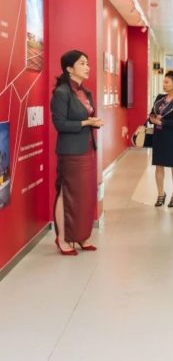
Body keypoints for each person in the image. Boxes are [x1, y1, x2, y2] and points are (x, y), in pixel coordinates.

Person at [50, 50, 103, 255]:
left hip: (87, 149)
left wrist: (93, 123)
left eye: (87, 63)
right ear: (69, 68)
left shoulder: (85, 92)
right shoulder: (61, 93)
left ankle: (81, 236)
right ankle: (62, 239)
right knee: (67, 194)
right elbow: (60, 124)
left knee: (84, 195)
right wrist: (86, 123)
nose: (87, 67)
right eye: (82, 63)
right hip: (70, 152)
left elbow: (86, 119)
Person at [149, 70, 173, 209]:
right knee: (158, 165)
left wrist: (162, 122)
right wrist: (152, 118)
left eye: (167, 82)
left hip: (172, 137)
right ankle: (160, 193)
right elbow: (151, 114)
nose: (164, 84)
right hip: (158, 136)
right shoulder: (160, 98)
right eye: (163, 82)